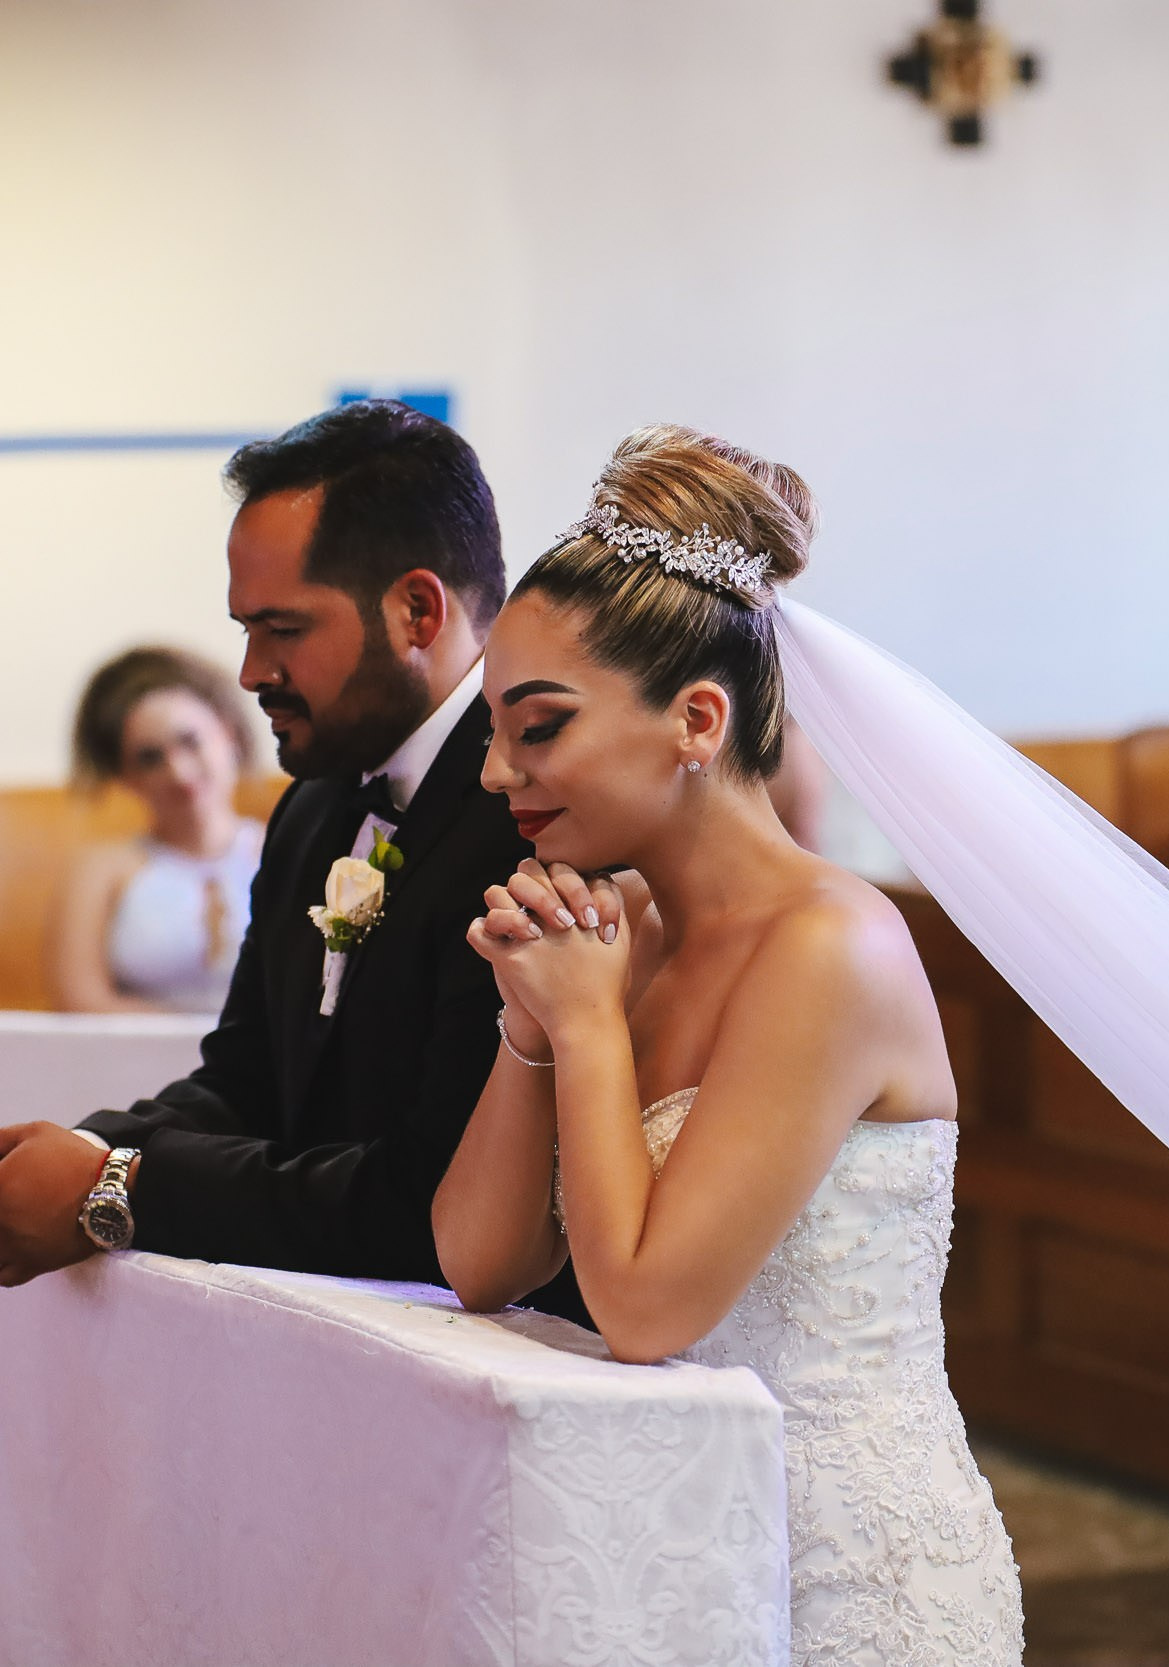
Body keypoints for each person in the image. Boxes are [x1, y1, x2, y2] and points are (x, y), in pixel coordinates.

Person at [431, 426, 1024, 1665]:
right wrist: (532, 1024)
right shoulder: (629, 930)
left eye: (536, 727)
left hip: (848, 1570)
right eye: (491, 727)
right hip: (675, 1544)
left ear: (696, 717)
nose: (496, 772)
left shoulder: (831, 948)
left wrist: (591, 1024)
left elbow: (645, 1306)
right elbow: (482, 1263)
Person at [0, 400, 581, 1319]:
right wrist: (83, 1147)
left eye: (282, 630)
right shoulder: (313, 808)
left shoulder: (531, 819)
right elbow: (248, 1081)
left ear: (416, 610)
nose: (248, 673)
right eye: (245, 629)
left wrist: (117, 1183)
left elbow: (424, 1194)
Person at [50, 646, 263, 1013]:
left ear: (228, 733)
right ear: (124, 776)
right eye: (149, 758)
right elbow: (80, 1000)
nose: (178, 772)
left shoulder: (289, 851)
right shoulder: (101, 873)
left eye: (190, 741)